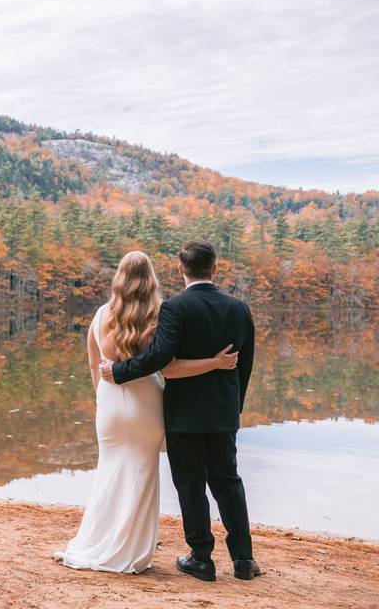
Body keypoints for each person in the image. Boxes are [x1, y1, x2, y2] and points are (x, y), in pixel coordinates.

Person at [55, 250, 238, 573]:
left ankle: (95, 540)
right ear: (151, 278)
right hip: (146, 405)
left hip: (110, 403)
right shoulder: (159, 315)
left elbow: (94, 364)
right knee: (141, 473)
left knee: (109, 471)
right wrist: (214, 363)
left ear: (119, 278)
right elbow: (166, 366)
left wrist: (103, 398)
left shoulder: (100, 315)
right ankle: (132, 549)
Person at [99, 241, 260, 582]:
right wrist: (234, 409)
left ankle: (201, 558)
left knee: (190, 484)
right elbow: (245, 366)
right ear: (214, 268)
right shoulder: (239, 308)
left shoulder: (175, 307)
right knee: (228, 482)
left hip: (184, 414)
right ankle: (244, 560)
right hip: (222, 415)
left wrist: (119, 372)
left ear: (180, 269)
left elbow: (160, 359)